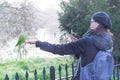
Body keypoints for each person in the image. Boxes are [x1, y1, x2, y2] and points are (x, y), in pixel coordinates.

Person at [25, 11, 114, 80]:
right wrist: (78, 46)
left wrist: (37, 42)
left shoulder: (87, 41)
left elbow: (59, 49)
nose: (90, 24)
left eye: (92, 22)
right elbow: (90, 59)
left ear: (98, 24)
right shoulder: (108, 42)